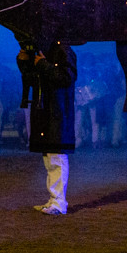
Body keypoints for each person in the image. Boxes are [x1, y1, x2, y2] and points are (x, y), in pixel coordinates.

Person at [21, 41, 77, 215]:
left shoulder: (63, 49)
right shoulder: (49, 49)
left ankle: (59, 202)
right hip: (47, 111)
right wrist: (24, 62)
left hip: (57, 111)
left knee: (56, 157)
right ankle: (54, 199)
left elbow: (66, 77)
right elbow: (33, 78)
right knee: (50, 157)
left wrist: (43, 65)